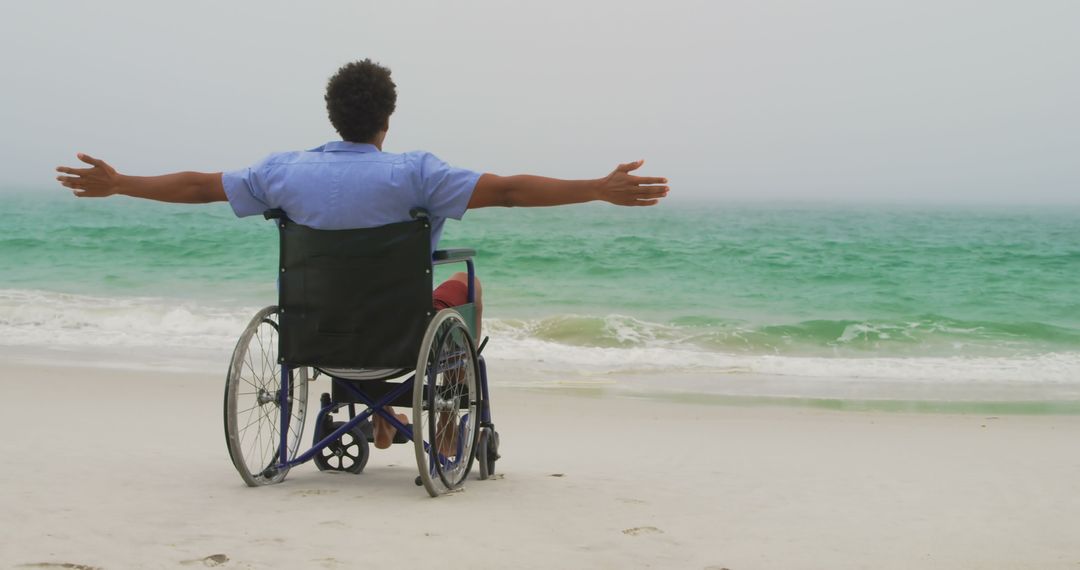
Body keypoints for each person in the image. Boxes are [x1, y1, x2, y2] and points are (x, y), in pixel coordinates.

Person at [55, 58, 669, 450]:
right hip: (401, 333)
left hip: (316, 331)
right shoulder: (417, 174)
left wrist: (122, 183)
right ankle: (444, 422)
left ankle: (368, 409)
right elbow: (508, 191)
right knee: (467, 290)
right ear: (387, 118)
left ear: (332, 114)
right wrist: (596, 188)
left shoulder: (282, 172)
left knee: (350, 299)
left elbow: (196, 185)